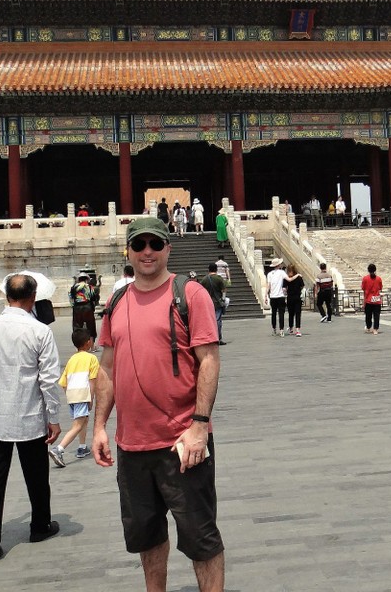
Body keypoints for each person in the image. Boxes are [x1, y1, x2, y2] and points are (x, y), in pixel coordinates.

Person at [92, 217, 224, 592]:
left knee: (201, 538)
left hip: (181, 443)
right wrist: (100, 426)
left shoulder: (190, 293)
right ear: (129, 251)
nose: (147, 251)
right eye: (139, 245)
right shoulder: (116, 299)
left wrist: (200, 425)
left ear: (168, 247)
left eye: (154, 243)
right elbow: (107, 366)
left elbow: (209, 360)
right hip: (132, 445)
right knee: (146, 538)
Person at [0, 273, 62, 568]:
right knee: (36, 474)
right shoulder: (39, 331)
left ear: (6, 295)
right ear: (33, 297)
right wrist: (54, 417)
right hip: (29, 414)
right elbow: (48, 379)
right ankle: (40, 525)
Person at [50, 327, 100, 467]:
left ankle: (82, 446)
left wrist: (70, 395)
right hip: (83, 394)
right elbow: (92, 380)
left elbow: (63, 382)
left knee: (82, 420)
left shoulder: (72, 359)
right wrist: (90, 397)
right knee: (78, 425)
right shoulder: (92, 358)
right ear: (88, 342)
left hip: (72, 395)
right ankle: (59, 449)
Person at [200, 262, 228, 345]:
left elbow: (201, 289)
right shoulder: (219, 278)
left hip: (208, 303)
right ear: (216, 269)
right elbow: (224, 290)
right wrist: (223, 300)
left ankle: (211, 337)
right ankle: (218, 338)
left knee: (209, 320)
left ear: (208, 269)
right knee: (217, 320)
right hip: (218, 302)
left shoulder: (205, 279)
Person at [69, 271, 99, 338]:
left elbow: (71, 298)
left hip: (77, 308)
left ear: (78, 280)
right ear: (86, 279)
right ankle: (92, 345)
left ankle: (79, 345)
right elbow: (93, 297)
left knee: (77, 327)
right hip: (88, 307)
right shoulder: (89, 287)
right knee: (91, 326)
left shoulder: (73, 287)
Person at [265, 257, 288, 337]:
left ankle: (274, 329)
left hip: (272, 296)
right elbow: (288, 279)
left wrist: (265, 296)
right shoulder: (282, 272)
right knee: (281, 314)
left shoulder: (269, 274)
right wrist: (297, 276)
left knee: (273, 314)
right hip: (280, 296)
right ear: (279, 265)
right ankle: (281, 330)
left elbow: (268, 286)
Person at [361, 263, 383, 334]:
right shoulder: (379, 279)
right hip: (377, 299)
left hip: (368, 300)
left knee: (368, 315)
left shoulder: (365, 278)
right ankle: (375, 329)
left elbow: (363, 288)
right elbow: (380, 287)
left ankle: (368, 327)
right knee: (376, 315)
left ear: (368, 270)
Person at [284, 264, 305, 336]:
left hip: (290, 297)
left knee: (291, 314)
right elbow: (302, 286)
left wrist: (287, 291)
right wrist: (298, 290)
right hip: (297, 297)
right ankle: (298, 329)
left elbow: (284, 288)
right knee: (298, 314)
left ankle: (291, 328)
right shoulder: (299, 277)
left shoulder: (286, 278)